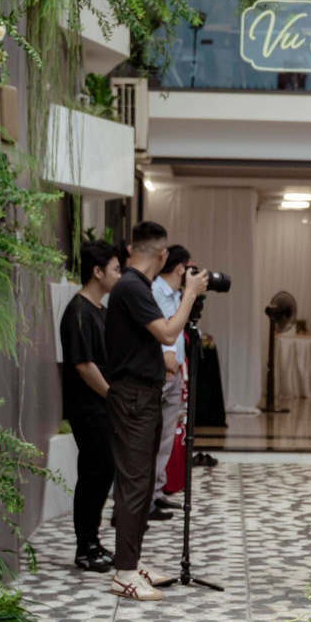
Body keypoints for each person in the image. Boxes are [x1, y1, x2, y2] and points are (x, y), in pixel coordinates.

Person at [105, 221, 204, 602]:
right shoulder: (131, 286)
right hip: (132, 398)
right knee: (134, 486)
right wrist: (190, 294)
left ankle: (131, 561)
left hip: (142, 395)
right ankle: (124, 573)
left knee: (143, 483)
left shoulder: (134, 286)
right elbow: (167, 332)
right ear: (163, 256)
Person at [60, 244, 121, 571]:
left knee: (101, 474)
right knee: (94, 475)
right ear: (97, 272)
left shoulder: (99, 310)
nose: (118, 275)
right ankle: (85, 548)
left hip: (102, 408)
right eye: (115, 269)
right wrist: (112, 395)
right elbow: (84, 366)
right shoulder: (79, 312)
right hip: (89, 408)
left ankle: (93, 542)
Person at [146, 245, 197, 522]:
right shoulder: (154, 292)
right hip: (160, 370)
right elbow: (158, 331)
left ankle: (156, 491)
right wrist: (166, 357)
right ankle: (146, 498)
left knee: (167, 435)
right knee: (153, 437)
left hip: (175, 370)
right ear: (181, 268)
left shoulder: (178, 295)